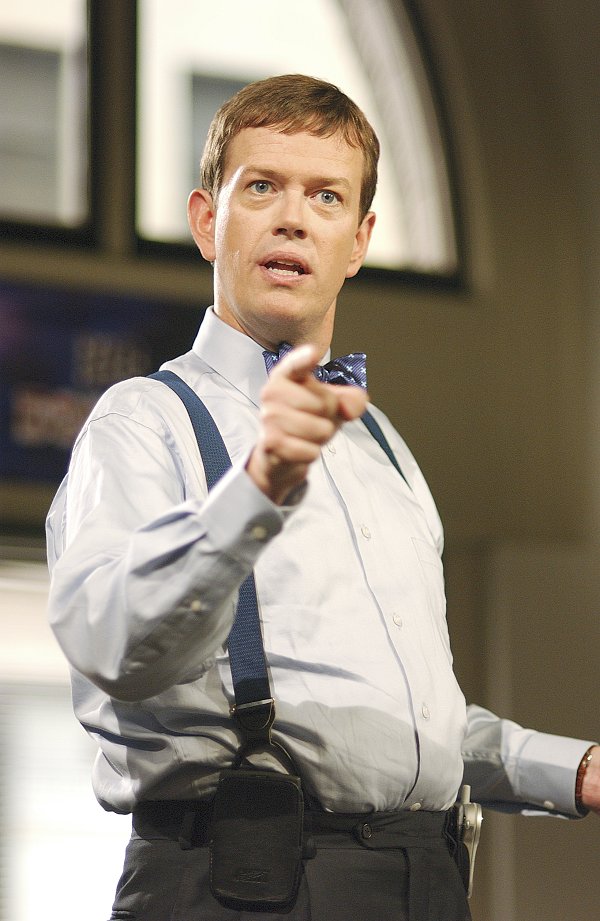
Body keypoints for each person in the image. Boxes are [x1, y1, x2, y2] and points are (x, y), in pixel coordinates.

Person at [46, 74, 599, 921]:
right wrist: (256, 488)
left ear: (359, 240)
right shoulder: (142, 421)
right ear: (207, 221)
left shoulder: (383, 445)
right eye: (262, 186)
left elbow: (411, 722)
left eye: (327, 196)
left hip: (423, 881)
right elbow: (114, 643)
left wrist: (575, 769)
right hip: (241, 885)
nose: (294, 218)